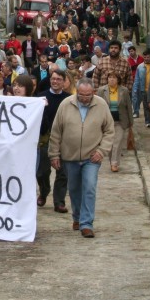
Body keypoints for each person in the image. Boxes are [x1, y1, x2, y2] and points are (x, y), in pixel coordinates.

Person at [49, 78, 115, 238]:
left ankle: (87, 223)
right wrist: (54, 154)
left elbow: (109, 130)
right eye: (81, 95)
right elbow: (56, 131)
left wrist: (102, 151)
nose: (85, 98)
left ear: (93, 92)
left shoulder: (101, 105)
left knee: (90, 187)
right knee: (74, 189)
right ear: (76, 92)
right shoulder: (66, 104)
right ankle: (77, 217)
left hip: (91, 157)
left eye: (88, 95)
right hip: (69, 156)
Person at [36, 69, 70, 211]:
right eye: (53, 79)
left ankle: (59, 201)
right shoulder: (41, 97)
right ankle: (44, 192)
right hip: (45, 138)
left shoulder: (69, 99)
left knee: (63, 172)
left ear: (64, 82)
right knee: (42, 171)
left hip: (64, 139)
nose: (55, 81)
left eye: (58, 79)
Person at [97, 73, 133, 172]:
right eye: (110, 77)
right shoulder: (101, 90)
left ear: (118, 80)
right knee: (110, 143)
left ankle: (114, 163)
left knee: (117, 142)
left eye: (114, 78)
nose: (111, 79)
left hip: (120, 121)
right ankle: (112, 161)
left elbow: (128, 107)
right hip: (107, 121)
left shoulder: (124, 90)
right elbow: (97, 106)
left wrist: (131, 121)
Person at [132, 49, 150, 125]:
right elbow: (137, 79)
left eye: (148, 57)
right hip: (144, 89)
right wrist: (135, 89)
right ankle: (148, 121)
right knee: (146, 107)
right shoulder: (140, 67)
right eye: (145, 57)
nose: (146, 59)